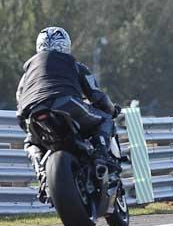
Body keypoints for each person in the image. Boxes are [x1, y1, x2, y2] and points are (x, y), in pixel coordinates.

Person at [16, 27, 121, 199]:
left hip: (32, 112)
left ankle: (41, 174)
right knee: (105, 119)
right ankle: (101, 157)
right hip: (66, 104)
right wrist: (111, 109)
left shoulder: (27, 73)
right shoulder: (73, 64)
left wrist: (25, 124)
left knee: (31, 143)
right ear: (66, 46)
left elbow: (20, 101)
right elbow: (97, 96)